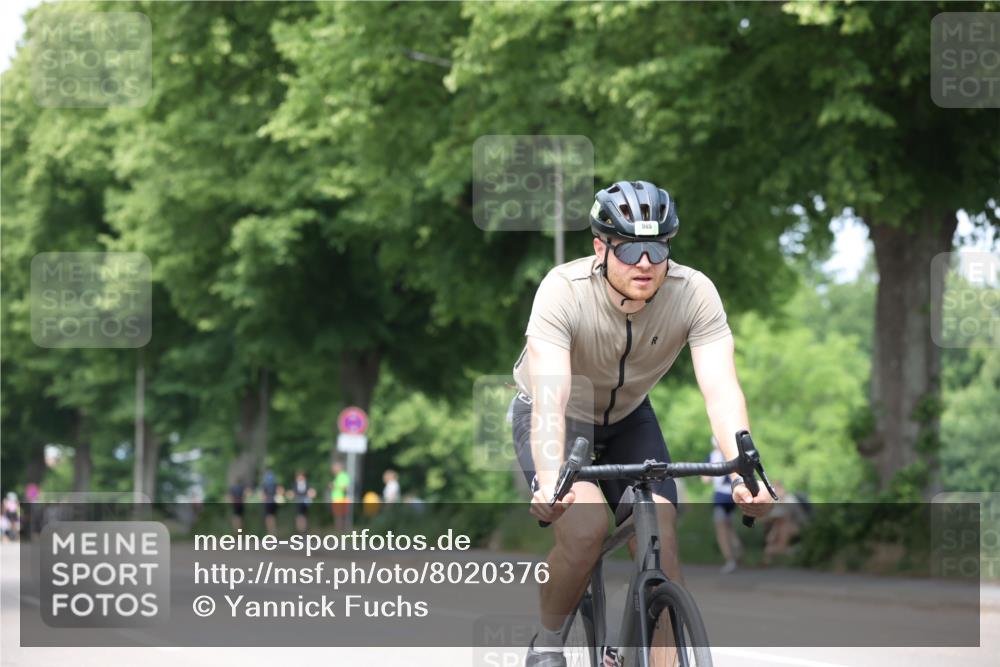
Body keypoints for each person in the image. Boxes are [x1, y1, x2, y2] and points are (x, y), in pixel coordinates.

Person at [510, 181, 774, 666]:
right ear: (600, 247)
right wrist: (550, 480)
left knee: (661, 539)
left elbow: (720, 390)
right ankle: (547, 643)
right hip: (560, 419)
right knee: (587, 528)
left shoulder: (694, 292)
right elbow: (552, 395)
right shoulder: (562, 291)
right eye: (630, 248)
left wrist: (744, 474)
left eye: (656, 248)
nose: (645, 263)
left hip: (630, 418)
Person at [701, 436, 743, 574]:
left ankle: (729, 560)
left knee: (720, 528)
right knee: (729, 525)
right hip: (733, 495)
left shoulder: (713, 456)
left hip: (720, 496)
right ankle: (737, 548)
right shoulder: (731, 455)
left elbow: (705, 479)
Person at [329, 460, 351, 532]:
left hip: (341, 499)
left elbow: (345, 487)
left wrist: (334, 486)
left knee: (340, 516)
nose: (332, 469)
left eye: (334, 467)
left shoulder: (343, 475)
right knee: (338, 516)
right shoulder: (338, 476)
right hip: (337, 498)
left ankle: (341, 532)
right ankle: (339, 531)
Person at [262, 470, 279, 536]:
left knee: (268, 517)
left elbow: (263, 495)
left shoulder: (265, 485)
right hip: (273, 502)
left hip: (268, 502)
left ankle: (270, 531)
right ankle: (273, 531)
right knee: (273, 516)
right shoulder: (275, 484)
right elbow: (279, 492)